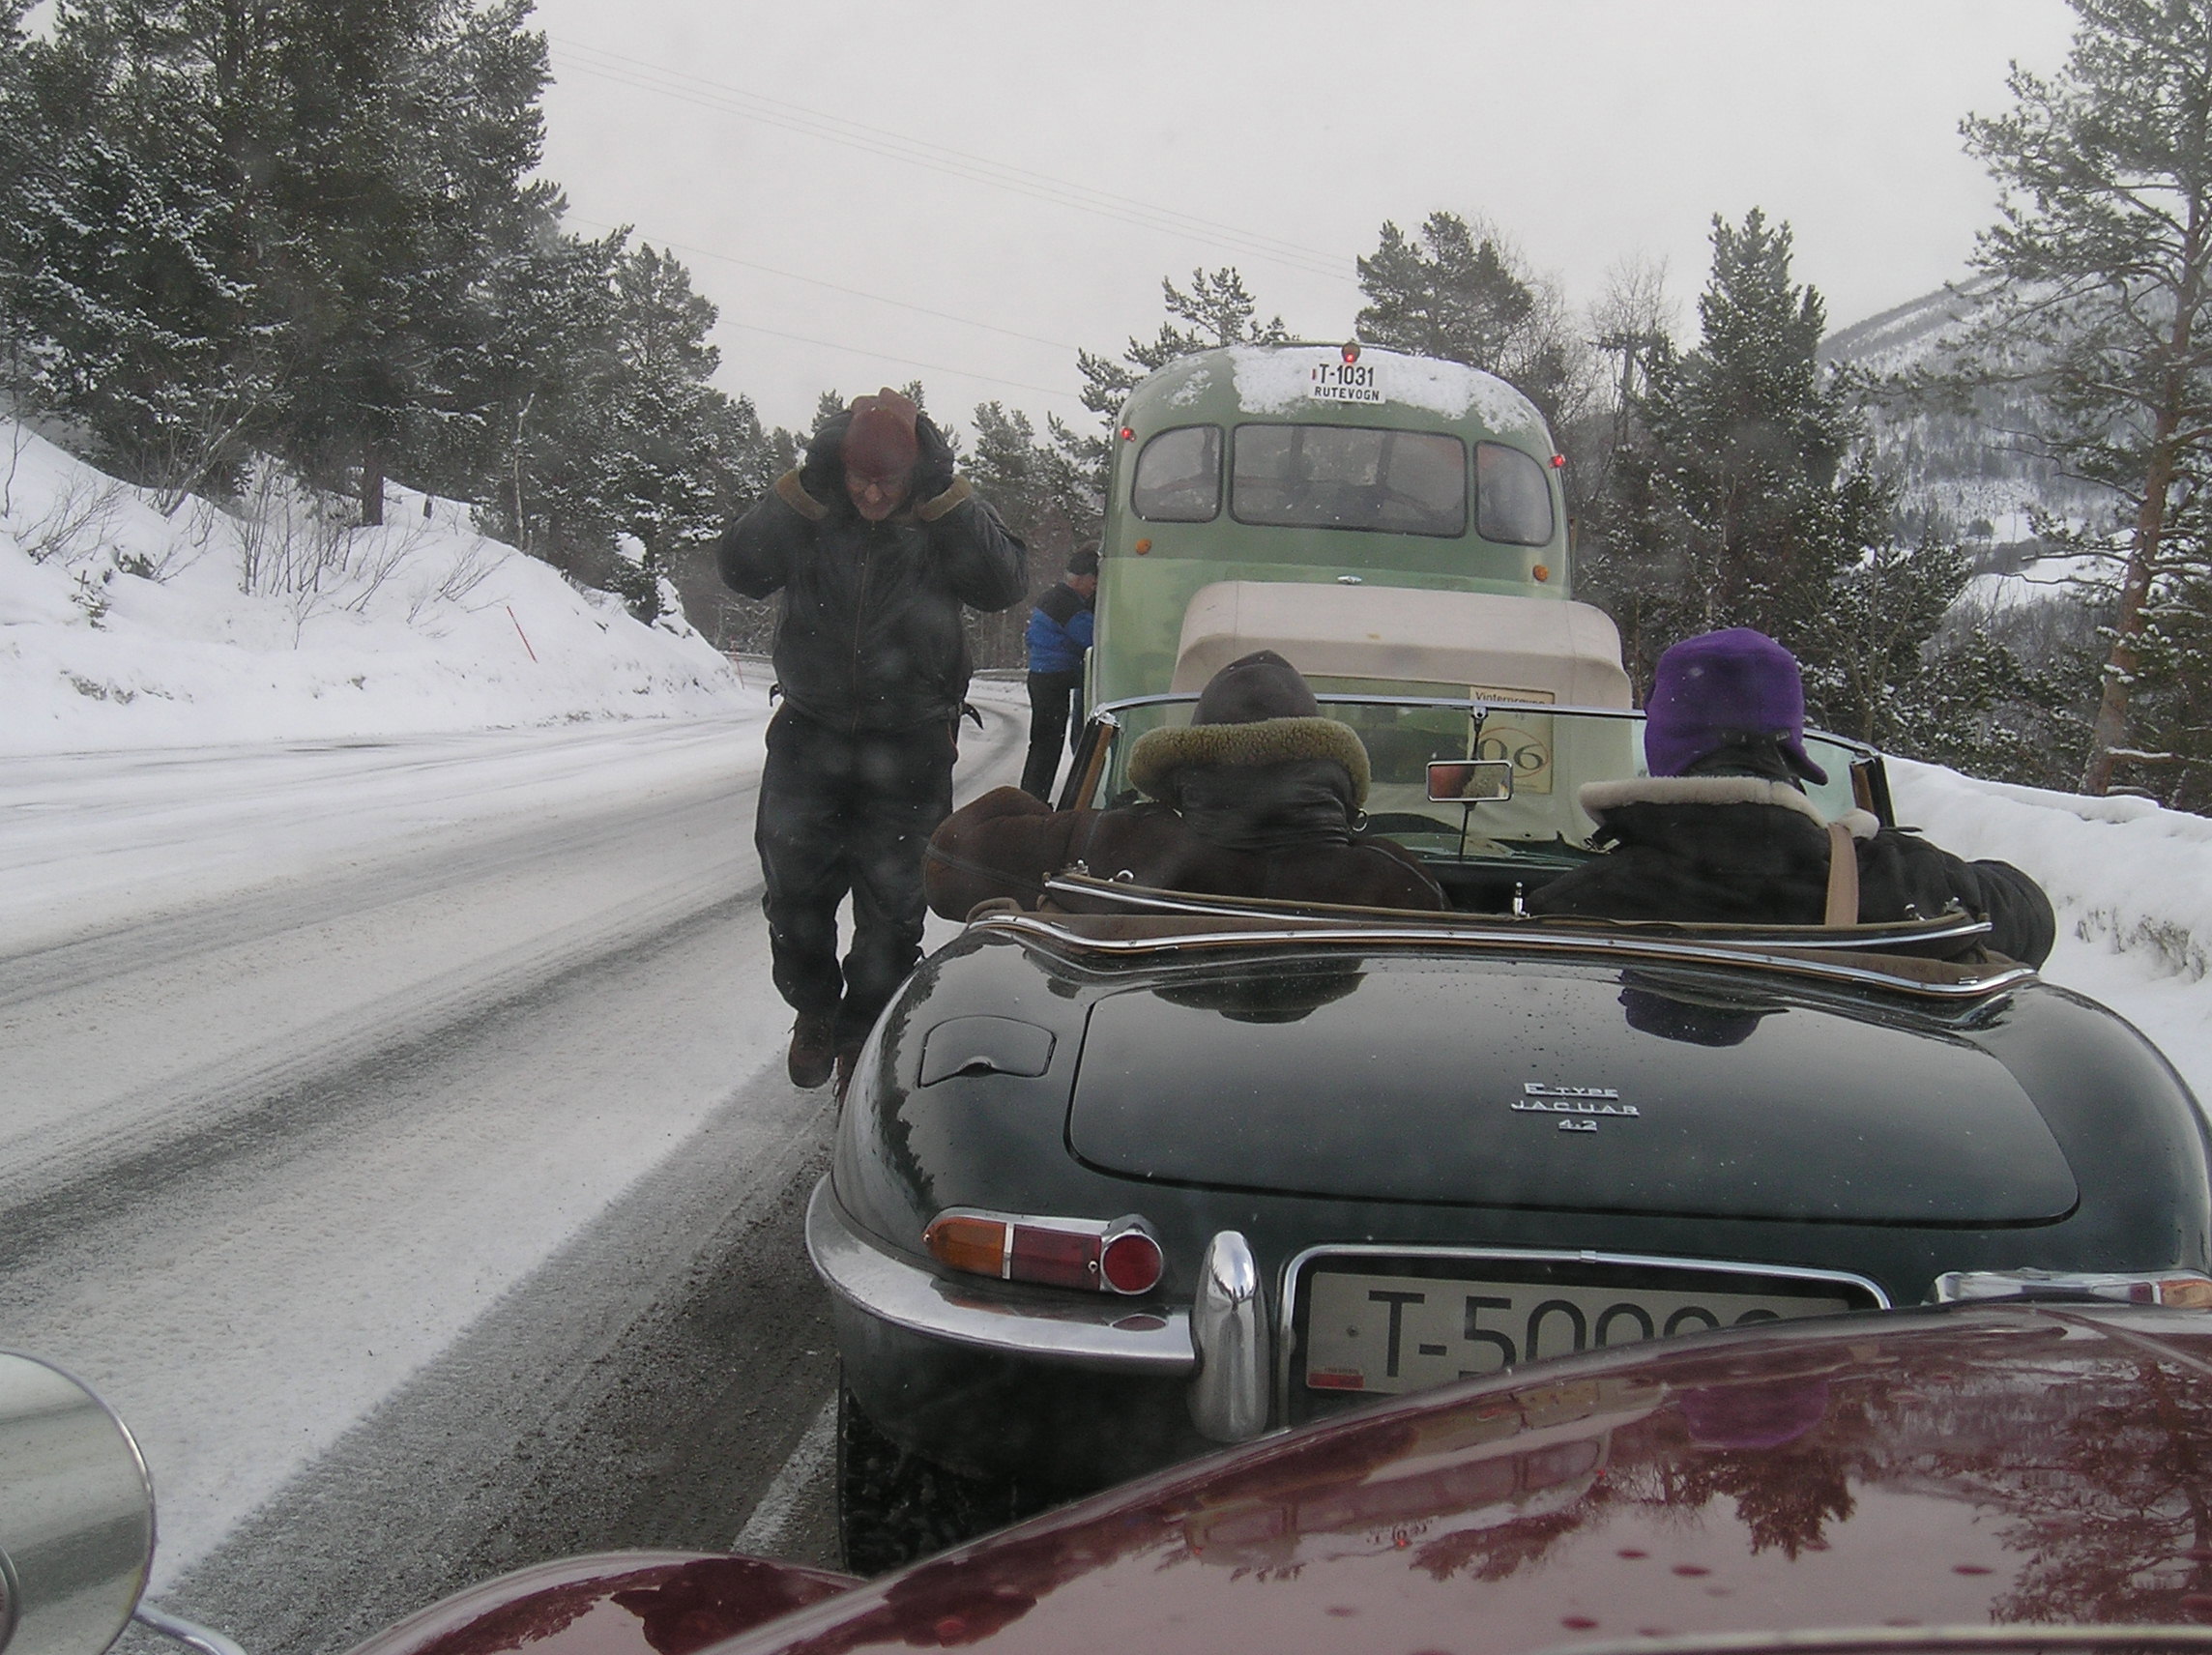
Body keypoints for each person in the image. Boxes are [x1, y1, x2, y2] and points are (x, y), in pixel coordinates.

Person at [719, 389, 1028, 1089]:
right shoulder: (814, 510)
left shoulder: (937, 514)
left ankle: (862, 1032)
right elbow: (740, 568)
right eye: (860, 477)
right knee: (793, 897)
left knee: (894, 907)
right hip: (808, 735)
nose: (872, 494)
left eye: (888, 480)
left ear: (915, 473)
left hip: (912, 741)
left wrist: (947, 496)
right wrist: (802, 487)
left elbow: (1004, 584)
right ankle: (814, 1009)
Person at [1526, 627, 2056, 963]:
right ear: (1792, 748)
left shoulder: (1573, 905)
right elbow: (2032, 917)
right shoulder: (1901, 881)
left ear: (1662, 745)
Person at [926, 650, 1446, 916]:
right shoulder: (1393, 880)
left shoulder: (1113, 843)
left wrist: (1048, 823)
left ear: (1186, 764)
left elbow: (946, 867)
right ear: (1337, 774)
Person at [1019, 544, 1098, 799]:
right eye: (1093, 582)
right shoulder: (1066, 603)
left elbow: (1031, 637)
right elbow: (1091, 637)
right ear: (1079, 579)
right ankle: (1034, 799)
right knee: (1048, 745)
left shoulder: (1053, 597)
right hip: (1054, 679)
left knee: (1043, 744)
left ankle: (1032, 797)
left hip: (1042, 677)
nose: (1094, 587)